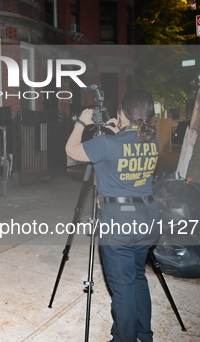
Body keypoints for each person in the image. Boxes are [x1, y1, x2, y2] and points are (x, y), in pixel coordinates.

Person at [65, 89, 160, 342]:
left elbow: (72, 150)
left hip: (120, 221)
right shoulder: (152, 141)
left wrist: (82, 122)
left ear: (122, 113)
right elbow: (128, 148)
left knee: (123, 286)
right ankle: (144, 334)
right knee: (138, 276)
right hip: (148, 216)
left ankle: (123, 339)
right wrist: (119, 132)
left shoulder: (106, 144)